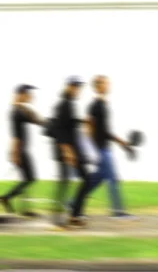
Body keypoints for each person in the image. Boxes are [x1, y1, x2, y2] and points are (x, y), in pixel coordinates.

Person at [69, 75, 136, 220]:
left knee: (97, 179)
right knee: (112, 178)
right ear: (98, 86)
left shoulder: (103, 105)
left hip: (103, 147)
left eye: (108, 83)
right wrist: (89, 149)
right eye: (106, 84)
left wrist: (122, 143)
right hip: (100, 149)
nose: (108, 86)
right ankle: (118, 212)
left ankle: (73, 202)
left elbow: (104, 130)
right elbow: (89, 126)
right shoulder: (95, 105)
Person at [51, 76, 92, 229]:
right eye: (75, 87)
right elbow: (60, 130)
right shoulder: (63, 104)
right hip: (66, 150)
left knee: (86, 179)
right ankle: (58, 218)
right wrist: (68, 152)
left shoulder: (69, 104)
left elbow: (69, 123)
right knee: (64, 183)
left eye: (79, 87)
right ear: (68, 87)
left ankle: (74, 214)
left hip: (73, 149)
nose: (77, 90)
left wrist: (82, 121)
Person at [1, 85, 46, 217]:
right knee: (30, 178)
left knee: (26, 179)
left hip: (21, 150)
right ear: (21, 94)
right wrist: (15, 154)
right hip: (19, 150)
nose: (31, 97)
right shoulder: (17, 112)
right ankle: (7, 198)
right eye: (29, 94)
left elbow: (38, 121)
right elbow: (16, 136)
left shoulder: (20, 110)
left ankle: (17, 204)